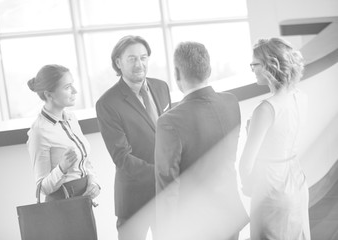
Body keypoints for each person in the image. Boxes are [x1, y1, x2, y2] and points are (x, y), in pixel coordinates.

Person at [154, 41, 248, 240]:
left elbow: (167, 186)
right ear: (209, 69)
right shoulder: (231, 102)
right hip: (230, 214)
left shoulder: (169, 121)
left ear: (177, 74)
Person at [96, 35, 172, 240]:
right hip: (134, 198)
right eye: (132, 59)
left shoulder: (161, 87)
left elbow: (172, 134)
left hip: (166, 195)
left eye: (143, 57)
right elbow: (121, 156)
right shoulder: (107, 103)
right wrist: (162, 173)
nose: (139, 64)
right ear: (118, 62)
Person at [239, 38, 310, 239]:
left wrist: (248, 186)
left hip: (271, 188)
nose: (252, 68)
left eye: (255, 64)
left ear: (271, 65)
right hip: (297, 181)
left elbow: (246, 163)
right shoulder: (301, 97)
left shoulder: (266, 109)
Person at [27, 64, 100, 238]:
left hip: (83, 202)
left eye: (73, 85)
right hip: (62, 209)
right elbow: (42, 187)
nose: (74, 91)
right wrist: (62, 167)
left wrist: (93, 183)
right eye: (67, 87)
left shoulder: (71, 118)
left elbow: (85, 160)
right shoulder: (39, 132)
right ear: (48, 94)